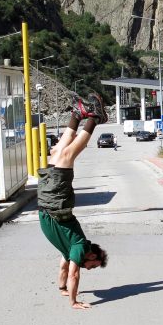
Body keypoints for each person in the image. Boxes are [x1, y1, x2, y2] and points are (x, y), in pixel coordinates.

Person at [38, 92, 110, 310]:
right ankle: (94, 117)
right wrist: (73, 301)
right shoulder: (78, 248)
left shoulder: (70, 250)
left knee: (57, 153)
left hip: (52, 205)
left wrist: (62, 288)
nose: (89, 268)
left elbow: (64, 269)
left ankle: (77, 115)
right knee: (66, 155)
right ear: (92, 255)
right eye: (93, 265)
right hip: (54, 203)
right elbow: (73, 274)